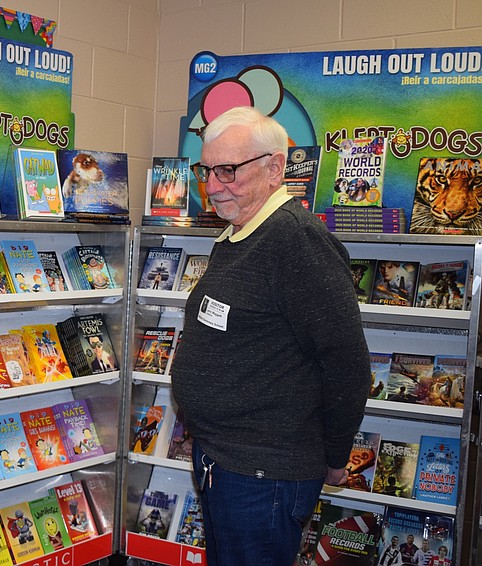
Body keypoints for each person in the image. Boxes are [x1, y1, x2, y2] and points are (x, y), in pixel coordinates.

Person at [169, 107, 370, 565]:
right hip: (224, 460)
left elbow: (346, 362)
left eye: (228, 170)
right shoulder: (240, 232)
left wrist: (336, 455)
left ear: (275, 167)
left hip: (264, 475)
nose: (212, 186)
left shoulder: (296, 241)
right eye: (206, 171)